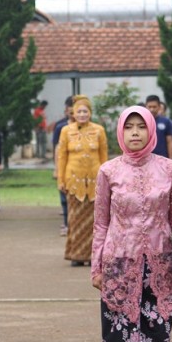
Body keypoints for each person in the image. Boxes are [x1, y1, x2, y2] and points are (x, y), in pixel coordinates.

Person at [92, 106, 172, 342]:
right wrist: (96, 267)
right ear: (120, 132)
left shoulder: (169, 169)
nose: (135, 133)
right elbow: (101, 223)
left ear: (151, 130)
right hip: (119, 263)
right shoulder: (108, 171)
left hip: (160, 264)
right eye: (128, 127)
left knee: (157, 334)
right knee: (118, 335)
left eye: (141, 127)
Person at [56, 95, 108, 267]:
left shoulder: (99, 130)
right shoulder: (66, 131)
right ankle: (76, 255)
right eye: (79, 111)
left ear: (90, 113)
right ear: (73, 113)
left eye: (85, 111)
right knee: (75, 218)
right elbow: (62, 156)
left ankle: (94, 255)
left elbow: (104, 157)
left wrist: (107, 179)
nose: (82, 114)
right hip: (74, 181)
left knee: (95, 220)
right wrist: (60, 179)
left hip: (95, 182)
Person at [52, 95, 74, 236]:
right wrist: (56, 168)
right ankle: (66, 223)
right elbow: (57, 148)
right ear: (66, 110)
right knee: (64, 197)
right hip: (64, 167)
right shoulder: (61, 127)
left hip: (79, 169)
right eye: (71, 112)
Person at [145, 95, 172, 159]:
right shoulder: (142, 122)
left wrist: (171, 158)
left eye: (154, 107)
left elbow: (169, 141)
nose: (152, 109)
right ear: (146, 107)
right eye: (149, 107)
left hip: (162, 158)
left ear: (159, 107)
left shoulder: (166, 121)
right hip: (145, 158)